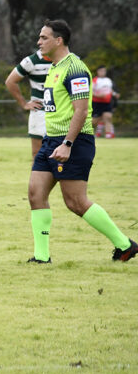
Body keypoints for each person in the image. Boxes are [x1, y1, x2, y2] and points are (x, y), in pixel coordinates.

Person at [27, 19, 136, 265]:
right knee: (35, 194)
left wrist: (67, 143)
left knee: (75, 202)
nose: (39, 42)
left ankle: (125, 244)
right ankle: (42, 257)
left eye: (44, 38)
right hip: (50, 141)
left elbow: (81, 110)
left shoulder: (75, 68)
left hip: (73, 142)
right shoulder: (54, 67)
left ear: (59, 40)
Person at [4, 48, 52, 158]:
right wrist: (24, 104)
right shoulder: (31, 61)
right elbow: (10, 81)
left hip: (63, 113)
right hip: (40, 113)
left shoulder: (69, 60)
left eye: (44, 38)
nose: (40, 42)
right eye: (40, 38)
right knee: (38, 154)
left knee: (62, 155)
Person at [92, 65, 120, 138]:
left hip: (107, 103)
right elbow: (90, 92)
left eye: (104, 71)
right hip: (97, 103)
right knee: (94, 121)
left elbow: (110, 90)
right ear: (98, 72)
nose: (103, 72)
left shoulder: (108, 80)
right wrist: (98, 95)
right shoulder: (94, 80)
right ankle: (86, 133)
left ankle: (108, 135)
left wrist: (115, 94)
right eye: (101, 71)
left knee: (108, 117)